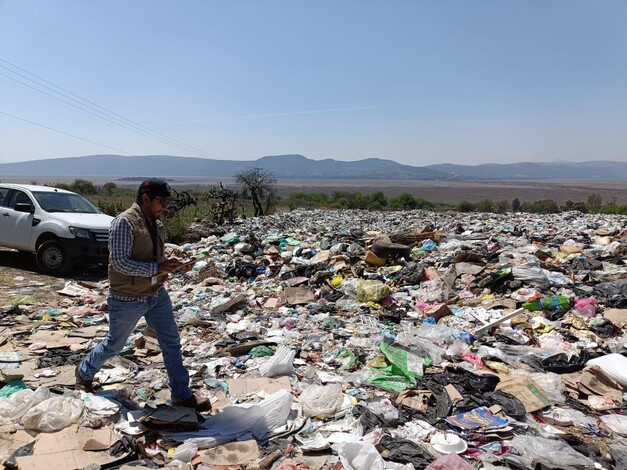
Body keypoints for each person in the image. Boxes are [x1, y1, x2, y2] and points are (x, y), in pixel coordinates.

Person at [76, 178, 210, 411]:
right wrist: (157, 268)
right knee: (114, 345)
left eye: (167, 201)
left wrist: (173, 265)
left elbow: (154, 259)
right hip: (127, 297)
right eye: (161, 201)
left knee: (171, 343)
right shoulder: (123, 223)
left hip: (156, 293)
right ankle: (84, 371)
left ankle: (182, 394)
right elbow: (119, 263)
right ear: (145, 199)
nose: (165, 206)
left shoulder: (156, 225)